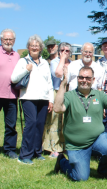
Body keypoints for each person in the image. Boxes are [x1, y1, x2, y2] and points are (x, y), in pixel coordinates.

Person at [53, 66, 107, 181]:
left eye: (87, 78)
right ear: (77, 78)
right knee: (80, 177)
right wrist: (63, 83)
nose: (84, 80)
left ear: (93, 80)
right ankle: (62, 161)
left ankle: (103, 171)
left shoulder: (99, 95)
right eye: (81, 77)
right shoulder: (70, 96)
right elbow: (57, 108)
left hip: (97, 139)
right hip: (77, 145)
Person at [11, 35, 54, 165]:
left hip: (43, 98)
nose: (35, 47)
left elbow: (49, 82)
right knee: (31, 124)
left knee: (40, 125)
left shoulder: (45, 63)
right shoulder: (23, 61)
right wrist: (26, 70)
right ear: (28, 47)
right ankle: (24, 155)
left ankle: (37, 152)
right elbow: (13, 79)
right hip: (28, 97)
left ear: (41, 48)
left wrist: (50, 99)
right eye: (32, 45)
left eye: (37, 45)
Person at [43, 42, 72, 157]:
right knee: (55, 121)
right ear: (59, 51)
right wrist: (62, 59)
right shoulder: (54, 62)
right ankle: (53, 147)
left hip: (69, 92)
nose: (65, 53)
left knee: (66, 121)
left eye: (67, 51)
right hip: (56, 92)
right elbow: (58, 73)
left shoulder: (73, 63)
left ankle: (64, 146)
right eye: (62, 50)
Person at [0, 29, 20, 159]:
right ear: (1, 40)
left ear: (14, 41)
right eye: (6, 39)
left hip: (12, 95)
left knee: (11, 124)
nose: (8, 41)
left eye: (10, 39)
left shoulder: (17, 55)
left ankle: (9, 149)